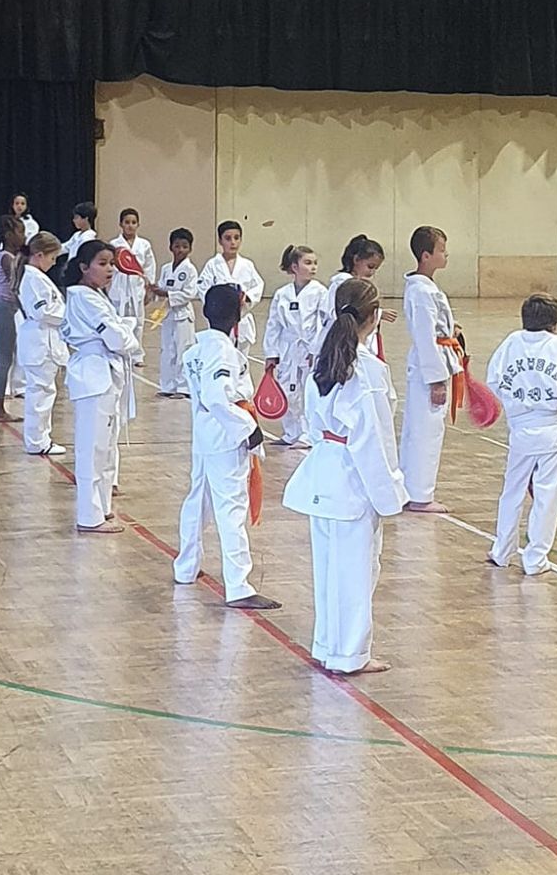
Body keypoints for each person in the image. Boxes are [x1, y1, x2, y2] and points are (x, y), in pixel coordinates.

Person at [283, 276, 407, 675]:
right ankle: (350, 653)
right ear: (375, 316)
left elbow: (313, 419)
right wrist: (390, 492)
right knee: (356, 572)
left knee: (328, 569)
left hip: (324, 467)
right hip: (353, 477)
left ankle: (327, 644)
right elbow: (374, 438)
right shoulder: (367, 370)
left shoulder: (325, 358)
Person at [174, 283, 278, 611]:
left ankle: (186, 566)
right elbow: (216, 397)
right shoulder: (223, 353)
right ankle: (238, 585)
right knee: (231, 507)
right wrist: (247, 429)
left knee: (198, 501)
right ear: (237, 315)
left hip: (204, 434)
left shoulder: (195, 350)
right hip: (224, 436)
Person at [486, 295, 557, 577]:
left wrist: (512, 407)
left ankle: (501, 551)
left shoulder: (511, 342)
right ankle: (535, 558)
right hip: (551, 428)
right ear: (555, 323)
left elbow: (494, 379)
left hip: (520, 429)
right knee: (547, 495)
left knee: (512, 490)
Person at [63, 240, 139, 534]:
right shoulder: (84, 297)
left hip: (105, 373)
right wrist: (128, 336)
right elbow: (117, 338)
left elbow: (118, 331)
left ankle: (102, 506)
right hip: (93, 375)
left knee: (106, 447)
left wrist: (124, 331)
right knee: (92, 447)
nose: (110, 269)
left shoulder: (95, 295)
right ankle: (89, 515)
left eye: (112, 264)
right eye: (102, 263)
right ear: (84, 267)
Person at [399, 225, 464, 514]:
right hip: (429, 366)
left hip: (436, 357)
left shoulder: (424, 287)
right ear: (425, 255)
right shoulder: (421, 291)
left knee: (420, 429)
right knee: (426, 432)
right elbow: (425, 337)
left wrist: (450, 329)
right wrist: (437, 380)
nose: (446, 254)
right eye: (441, 250)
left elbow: (432, 328)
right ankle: (420, 495)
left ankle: (410, 489)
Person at [262, 244, 324, 447]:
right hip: (287, 349)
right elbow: (274, 325)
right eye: (308, 263)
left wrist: (316, 350)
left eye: (315, 263)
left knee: (308, 390)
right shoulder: (282, 294)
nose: (313, 267)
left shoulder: (320, 292)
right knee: (287, 389)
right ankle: (291, 432)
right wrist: (271, 353)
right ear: (294, 267)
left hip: (309, 348)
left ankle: (308, 433)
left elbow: (323, 324)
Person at [17, 230, 67, 457]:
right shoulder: (33, 279)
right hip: (39, 341)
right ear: (39, 255)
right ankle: (37, 441)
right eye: (52, 257)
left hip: (42, 339)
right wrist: (69, 315)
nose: (54, 262)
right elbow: (43, 312)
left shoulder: (36, 277)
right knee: (40, 393)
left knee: (45, 391)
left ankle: (41, 438)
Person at [318, 235, 395, 361]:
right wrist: (378, 313)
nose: (372, 272)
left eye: (376, 269)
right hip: (344, 342)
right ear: (356, 260)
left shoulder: (362, 285)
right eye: (370, 266)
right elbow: (337, 312)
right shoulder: (341, 283)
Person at [197, 219, 264, 365]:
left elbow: (258, 285)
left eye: (236, 238)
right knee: (221, 360)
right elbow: (203, 288)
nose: (233, 242)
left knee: (241, 363)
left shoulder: (247, 265)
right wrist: (218, 304)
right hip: (220, 320)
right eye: (228, 238)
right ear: (220, 241)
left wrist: (247, 298)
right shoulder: (212, 265)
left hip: (242, 318)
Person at [0, 214, 28, 424]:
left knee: (7, 358)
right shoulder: (8, 259)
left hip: (2, 307)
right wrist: (28, 313)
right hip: (4, 307)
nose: (24, 236)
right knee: (5, 360)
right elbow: (15, 287)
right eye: (20, 232)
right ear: (8, 235)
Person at [155, 228, 199, 397]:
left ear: (190, 249)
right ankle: (167, 386)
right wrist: (155, 289)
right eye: (177, 246)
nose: (180, 250)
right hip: (168, 314)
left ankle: (184, 387)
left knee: (183, 351)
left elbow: (189, 294)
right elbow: (162, 286)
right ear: (170, 247)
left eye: (184, 247)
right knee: (167, 350)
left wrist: (167, 294)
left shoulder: (190, 270)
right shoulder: (166, 268)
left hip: (183, 316)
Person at [109, 207, 156, 350]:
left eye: (133, 222)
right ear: (121, 224)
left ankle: (136, 353)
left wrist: (149, 288)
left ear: (138, 224)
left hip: (137, 286)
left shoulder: (144, 244)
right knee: (119, 320)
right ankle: (119, 350)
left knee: (138, 321)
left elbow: (149, 267)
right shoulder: (114, 244)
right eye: (127, 222)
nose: (130, 226)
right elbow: (109, 266)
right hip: (119, 285)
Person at [59, 202, 97, 286]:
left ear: (86, 219)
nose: (74, 220)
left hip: (79, 271)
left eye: (76, 218)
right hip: (71, 269)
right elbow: (66, 247)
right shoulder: (77, 235)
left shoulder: (89, 237)